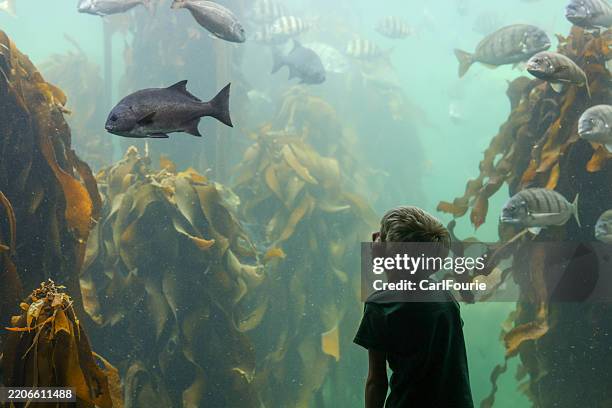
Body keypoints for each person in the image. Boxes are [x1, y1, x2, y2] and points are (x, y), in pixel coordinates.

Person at [354, 206, 474, 408]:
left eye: (381, 236)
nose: (374, 236)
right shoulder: (445, 298)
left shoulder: (381, 305)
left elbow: (377, 381)